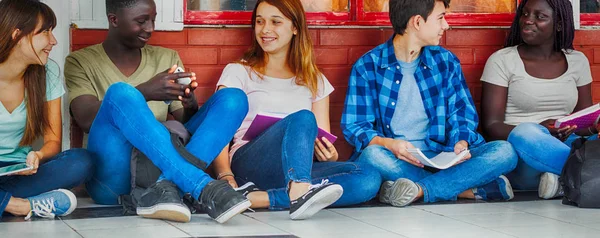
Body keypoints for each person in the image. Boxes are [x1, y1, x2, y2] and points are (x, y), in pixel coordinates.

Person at [65, 0, 250, 223]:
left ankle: (166, 187)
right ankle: (199, 186)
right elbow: (85, 119)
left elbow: (186, 125)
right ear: (114, 19)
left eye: (153, 19)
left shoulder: (167, 57)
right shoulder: (80, 61)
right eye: (141, 21)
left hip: (159, 168)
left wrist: (189, 102)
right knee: (120, 94)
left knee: (234, 99)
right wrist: (146, 91)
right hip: (114, 176)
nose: (151, 28)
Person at [213, 0, 381, 220]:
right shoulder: (238, 71)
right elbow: (219, 132)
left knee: (368, 176)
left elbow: (321, 141)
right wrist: (225, 175)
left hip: (293, 170)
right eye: (260, 21)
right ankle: (300, 193)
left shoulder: (314, 80)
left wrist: (330, 156)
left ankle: (262, 198)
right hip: (250, 163)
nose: (265, 30)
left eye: (275, 22)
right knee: (302, 118)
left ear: (295, 28)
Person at [342, 0, 518, 207]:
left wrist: (460, 142)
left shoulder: (446, 62)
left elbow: (462, 114)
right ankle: (462, 190)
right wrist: (389, 144)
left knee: (505, 151)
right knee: (372, 156)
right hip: (398, 160)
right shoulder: (367, 66)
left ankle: (418, 189)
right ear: (417, 22)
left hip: (443, 157)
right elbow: (355, 126)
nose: (446, 25)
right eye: (441, 18)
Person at [480, 0, 596, 199]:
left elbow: (584, 121)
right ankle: (583, 176)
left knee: (590, 142)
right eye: (524, 14)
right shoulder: (502, 60)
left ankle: (559, 181)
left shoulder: (578, 61)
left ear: (559, 24)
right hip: (525, 152)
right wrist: (541, 129)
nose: (527, 21)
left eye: (539, 17)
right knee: (526, 131)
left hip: (565, 145)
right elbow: (491, 126)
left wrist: (593, 128)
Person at [0, 0, 94, 220]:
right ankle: (20, 206)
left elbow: (53, 142)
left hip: (19, 172)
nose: (53, 41)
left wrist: (38, 155)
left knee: (81, 161)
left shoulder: (47, 72)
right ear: (17, 34)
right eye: (45, 32)